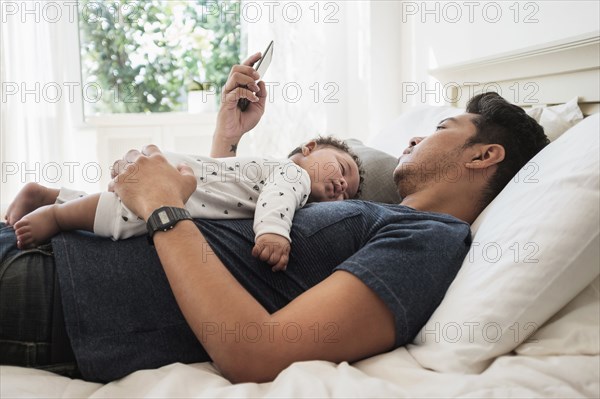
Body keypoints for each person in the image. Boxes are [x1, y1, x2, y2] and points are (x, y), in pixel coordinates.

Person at [0, 52, 549, 383]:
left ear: (483, 156)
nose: (414, 136)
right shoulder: (371, 213)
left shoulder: (430, 239)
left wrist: (163, 208)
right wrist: (228, 140)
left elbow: (255, 350)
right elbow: (231, 219)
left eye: (442, 129)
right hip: (52, 254)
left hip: (58, 291)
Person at [5, 136, 363, 271]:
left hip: (178, 171)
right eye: (343, 168)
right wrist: (273, 234)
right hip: (177, 185)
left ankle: (49, 195)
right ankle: (57, 215)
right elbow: (277, 199)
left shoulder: (275, 173)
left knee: (118, 201)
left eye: (349, 191)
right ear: (310, 147)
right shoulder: (293, 174)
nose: (342, 184)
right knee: (126, 216)